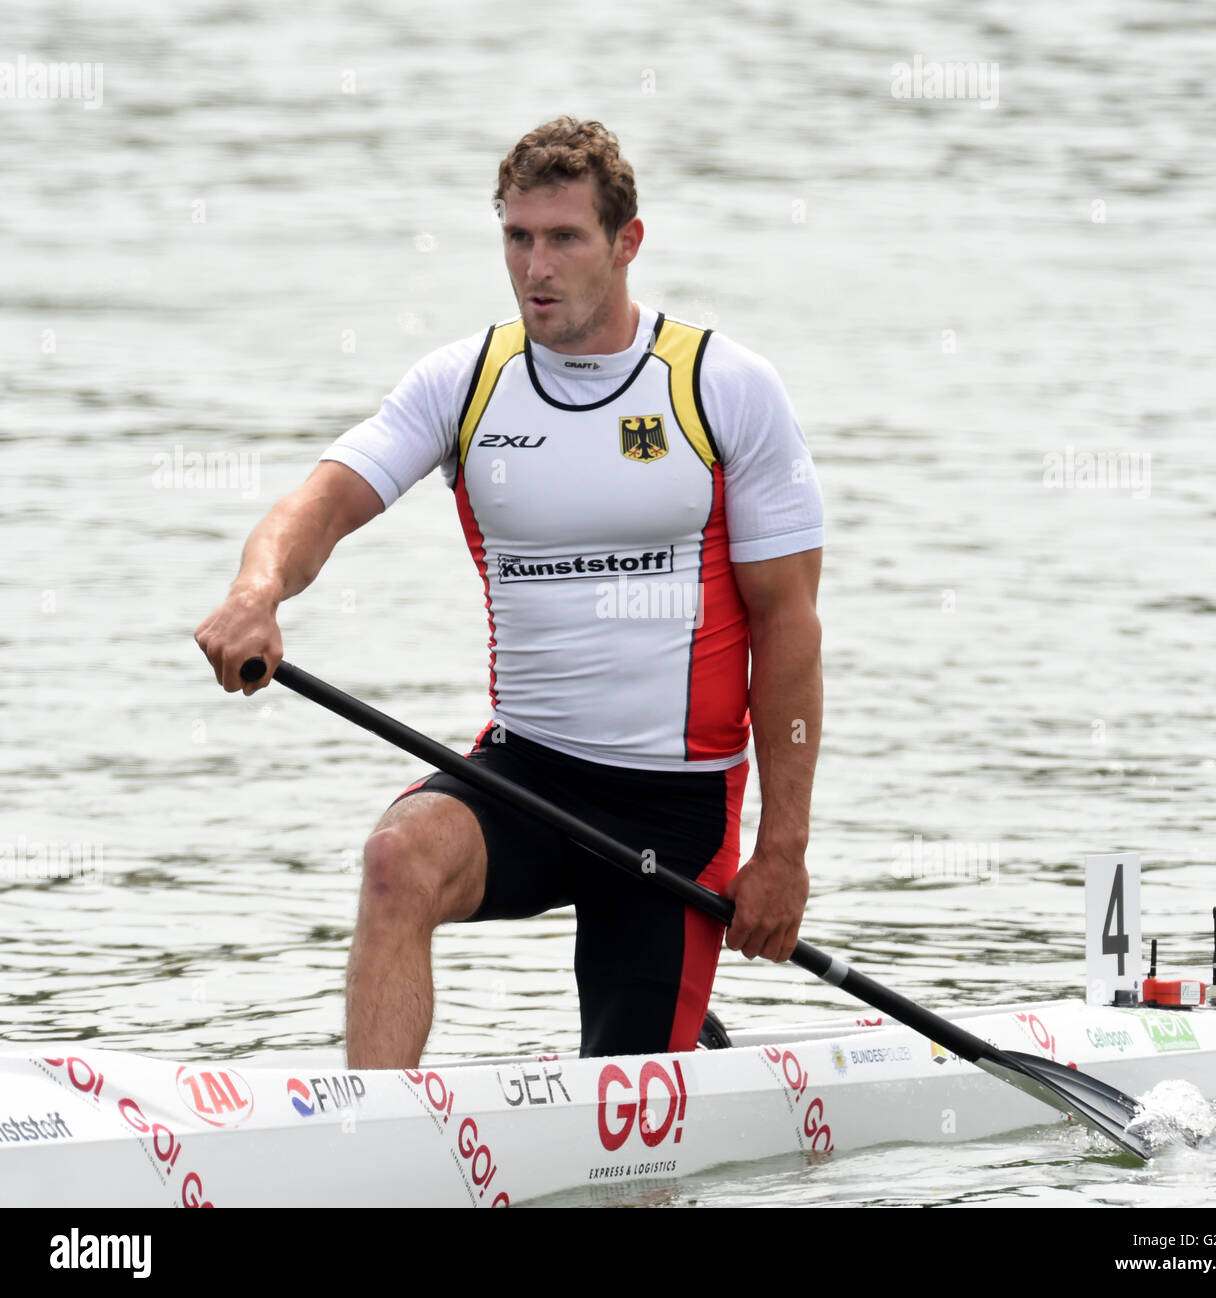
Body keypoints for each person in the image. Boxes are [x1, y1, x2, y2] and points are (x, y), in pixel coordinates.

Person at [195, 116, 823, 1066]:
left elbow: (788, 628)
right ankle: (374, 1147)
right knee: (398, 859)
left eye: (565, 237)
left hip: (676, 806)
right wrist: (258, 591)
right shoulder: (469, 382)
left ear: (627, 243)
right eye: (517, 237)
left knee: (629, 1121)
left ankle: (691, 1045)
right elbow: (321, 503)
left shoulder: (721, 388)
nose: (538, 266)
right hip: (529, 773)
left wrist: (782, 852)